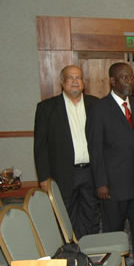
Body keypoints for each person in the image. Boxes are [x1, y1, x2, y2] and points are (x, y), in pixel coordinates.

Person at [86, 62, 134, 266]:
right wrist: (101, 183)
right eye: (124, 77)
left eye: (131, 77)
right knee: (114, 227)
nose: (129, 81)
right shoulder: (99, 109)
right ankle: (113, 265)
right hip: (113, 184)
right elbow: (95, 149)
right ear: (112, 81)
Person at [34, 65, 99, 238]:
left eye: (78, 78)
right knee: (64, 216)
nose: (75, 82)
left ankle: (88, 255)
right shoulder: (46, 108)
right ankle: (68, 255)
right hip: (62, 173)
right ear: (62, 82)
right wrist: (43, 177)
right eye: (70, 78)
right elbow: (40, 146)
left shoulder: (96, 105)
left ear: (83, 83)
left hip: (91, 172)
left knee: (91, 214)